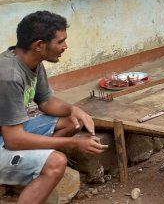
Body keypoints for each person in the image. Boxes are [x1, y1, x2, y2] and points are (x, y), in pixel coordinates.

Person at [0, 11, 107, 203]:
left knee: (72, 122)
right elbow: (13, 140)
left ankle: (31, 170)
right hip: (7, 138)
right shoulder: (9, 76)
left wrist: (74, 110)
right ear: (39, 45)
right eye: (60, 42)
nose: (65, 46)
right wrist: (73, 143)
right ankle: (39, 168)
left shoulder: (33, 62)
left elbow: (46, 101)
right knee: (56, 163)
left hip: (7, 133)